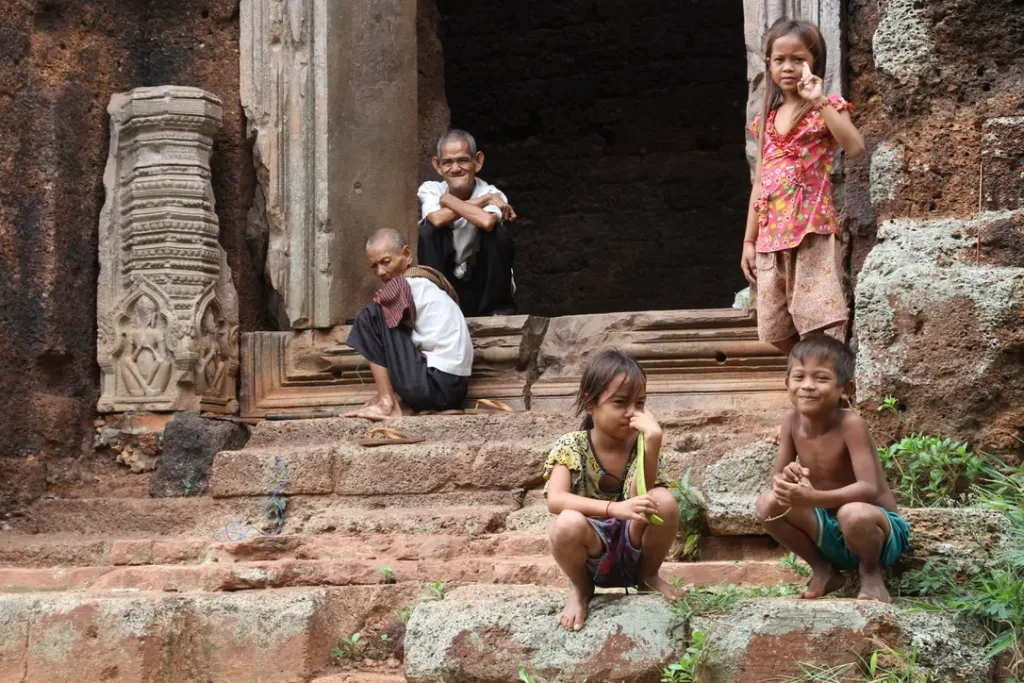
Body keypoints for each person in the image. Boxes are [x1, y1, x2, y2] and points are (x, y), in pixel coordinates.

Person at [740, 19, 866, 356]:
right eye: (779, 59)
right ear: (768, 63)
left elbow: (854, 147)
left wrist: (820, 99)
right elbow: (760, 184)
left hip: (810, 230)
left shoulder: (825, 107)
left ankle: (826, 381)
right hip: (769, 238)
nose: (789, 67)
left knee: (818, 319)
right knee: (774, 325)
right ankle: (810, 369)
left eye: (798, 59)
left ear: (814, 61)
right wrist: (749, 240)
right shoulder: (766, 119)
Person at [754, 335, 910, 603]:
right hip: (827, 529)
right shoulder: (791, 421)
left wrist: (812, 497)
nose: (808, 386)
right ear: (787, 384)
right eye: (799, 377)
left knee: (853, 513)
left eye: (821, 378)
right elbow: (777, 480)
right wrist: (788, 479)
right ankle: (823, 569)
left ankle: (871, 573)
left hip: (876, 530)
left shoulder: (851, 424)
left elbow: (868, 489)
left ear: (846, 389)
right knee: (768, 503)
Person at [543, 348, 681, 632]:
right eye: (620, 402)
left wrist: (653, 441)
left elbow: (639, 494)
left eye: (639, 403)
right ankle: (581, 590)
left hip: (634, 545)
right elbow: (555, 500)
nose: (631, 413)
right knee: (566, 522)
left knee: (663, 499)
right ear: (590, 403)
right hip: (590, 550)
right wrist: (612, 509)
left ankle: (648, 578)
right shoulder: (571, 445)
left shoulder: (642, 444)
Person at [343, 228, 473, 421]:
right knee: (383, 316)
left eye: (386, 262)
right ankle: (398, 401)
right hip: (455, 391)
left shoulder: (407, 285)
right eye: (373, 266)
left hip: (433, 383)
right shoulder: (428, 286)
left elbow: (378, 324)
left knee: (370, 316)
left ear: (407, 254)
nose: (380, 272)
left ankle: (386, 404)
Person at [418, 129, 517, 318]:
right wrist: (484, 200)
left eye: (463, 160)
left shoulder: (492, 192)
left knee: (497, 232)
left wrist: (448, 201)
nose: (455, 168)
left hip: (480, 288)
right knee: (428, 232)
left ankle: (498, 309)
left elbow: (487, 222)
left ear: (477, 162)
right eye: (447, 162)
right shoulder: (430, 189)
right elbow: (437, 219)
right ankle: (435, 310)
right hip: (448, 287)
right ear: (437, 165)